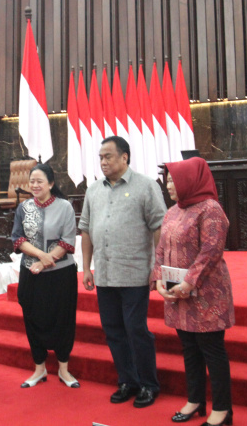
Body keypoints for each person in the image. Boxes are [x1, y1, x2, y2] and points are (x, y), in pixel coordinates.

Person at [80, 136, 167, 408]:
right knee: (113, 331)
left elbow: (159, 228)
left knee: (135, 330)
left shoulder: (146, 186)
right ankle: (127, 381)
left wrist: (158, 268)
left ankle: (148, 384)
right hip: (104, 274)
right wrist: (86, 268)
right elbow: (85, 229)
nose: (103, 162)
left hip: (134, 273)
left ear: (125, 157)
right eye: (101, 158)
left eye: (108, 156)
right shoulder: (93, 190)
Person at [154, 157, 234, 425]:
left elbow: (211, 251)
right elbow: (162, 247)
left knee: (212, 350)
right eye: (166, 181)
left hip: (206, 293)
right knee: (189, 348)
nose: (169, 186)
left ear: (189, 180)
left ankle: (222, 410)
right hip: (178, 292)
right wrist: (159, 280)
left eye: (172, 180)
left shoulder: (210, 209)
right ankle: (195, 400)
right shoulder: (173, 210)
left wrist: (189, 281)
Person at [11, 163, 80, 389]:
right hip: (31, 273)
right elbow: (18, 240)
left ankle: (64, 369)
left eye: (40, 181)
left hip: (60, 275)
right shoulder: (23, 207)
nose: (35, 185)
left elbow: (68, 241)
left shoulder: (65, 207)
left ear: (51, 183)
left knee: (63, 320)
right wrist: (41, 257)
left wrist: (46, 262)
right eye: (32, 181)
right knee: (33, 319)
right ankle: (39, 369)